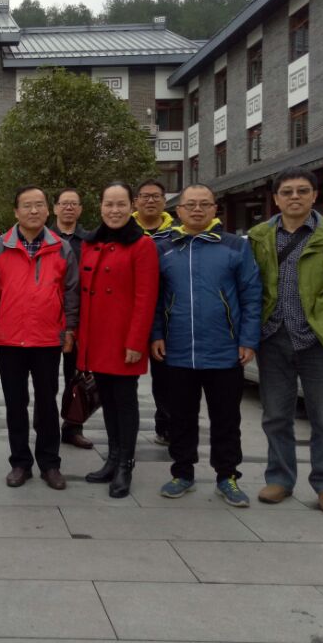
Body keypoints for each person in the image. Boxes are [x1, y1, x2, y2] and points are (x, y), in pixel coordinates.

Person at [249, 167, 323, 515]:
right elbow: (249, 284)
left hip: (317, 340)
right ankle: (280, 479)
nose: (295, 197)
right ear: (276, 199)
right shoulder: (260, 237)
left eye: (302, 191)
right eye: (287, 192)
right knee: (276, 415)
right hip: (273, 337)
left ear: (315, 196)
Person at [151, 184, 262, 507]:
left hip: (224, 351)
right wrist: (156, 334)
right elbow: (155, 298)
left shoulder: (235, 247)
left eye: (204, 204)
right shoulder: (165, 248)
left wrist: (248, 339)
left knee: (226, 419)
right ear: (178, 211)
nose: (197, 209)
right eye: (190, 205)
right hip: (178, 350)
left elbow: (252, 295)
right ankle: (182, 473)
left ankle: (227, 476)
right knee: (180, 418)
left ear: (215, 209)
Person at [0, 185, 78, 490]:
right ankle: (20, 463)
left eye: (39, 204)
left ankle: (50, 463)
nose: (33, 210)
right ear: (16, 212)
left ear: (47, 209)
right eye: (27, 205)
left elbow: (71, 291)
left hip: (47, 338)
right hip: (10, 339)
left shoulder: (62, 248)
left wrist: (70, 329)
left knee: (47, 403)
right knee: (15, 404)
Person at [79, 182, 159, 498]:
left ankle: (126, 464)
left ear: (132, 206)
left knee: (125, 402)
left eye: (121, 204)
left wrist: (136, 342)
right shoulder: (91, 243)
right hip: (97, 338)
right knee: (108, 401)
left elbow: (146, 298)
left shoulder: (142, 245)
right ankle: (112, 458)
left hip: (124, 339)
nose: (114, 210)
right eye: (109, 204)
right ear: (100, 206)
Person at [132, 178, 175, 446]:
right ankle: (124, 433)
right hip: (131, 315)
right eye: (145, 196)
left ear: (164, 201)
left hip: (167, 316)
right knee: (125, 379)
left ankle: (166, 427)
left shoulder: (178, 234)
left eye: (156, 196)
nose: (150, 200)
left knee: (166, 377)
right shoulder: (124, 232)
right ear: (135, 201)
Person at [50, 187, 93, 450]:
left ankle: (73, 426)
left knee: (76, 377)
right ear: (54, 208)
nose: (68, 208)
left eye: (73, 204)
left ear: (80, 209)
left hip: (78, 319)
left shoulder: (90, 241)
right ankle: (45, 427)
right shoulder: (44, 238)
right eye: (64, 203)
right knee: (45, 380)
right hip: (47, 318)